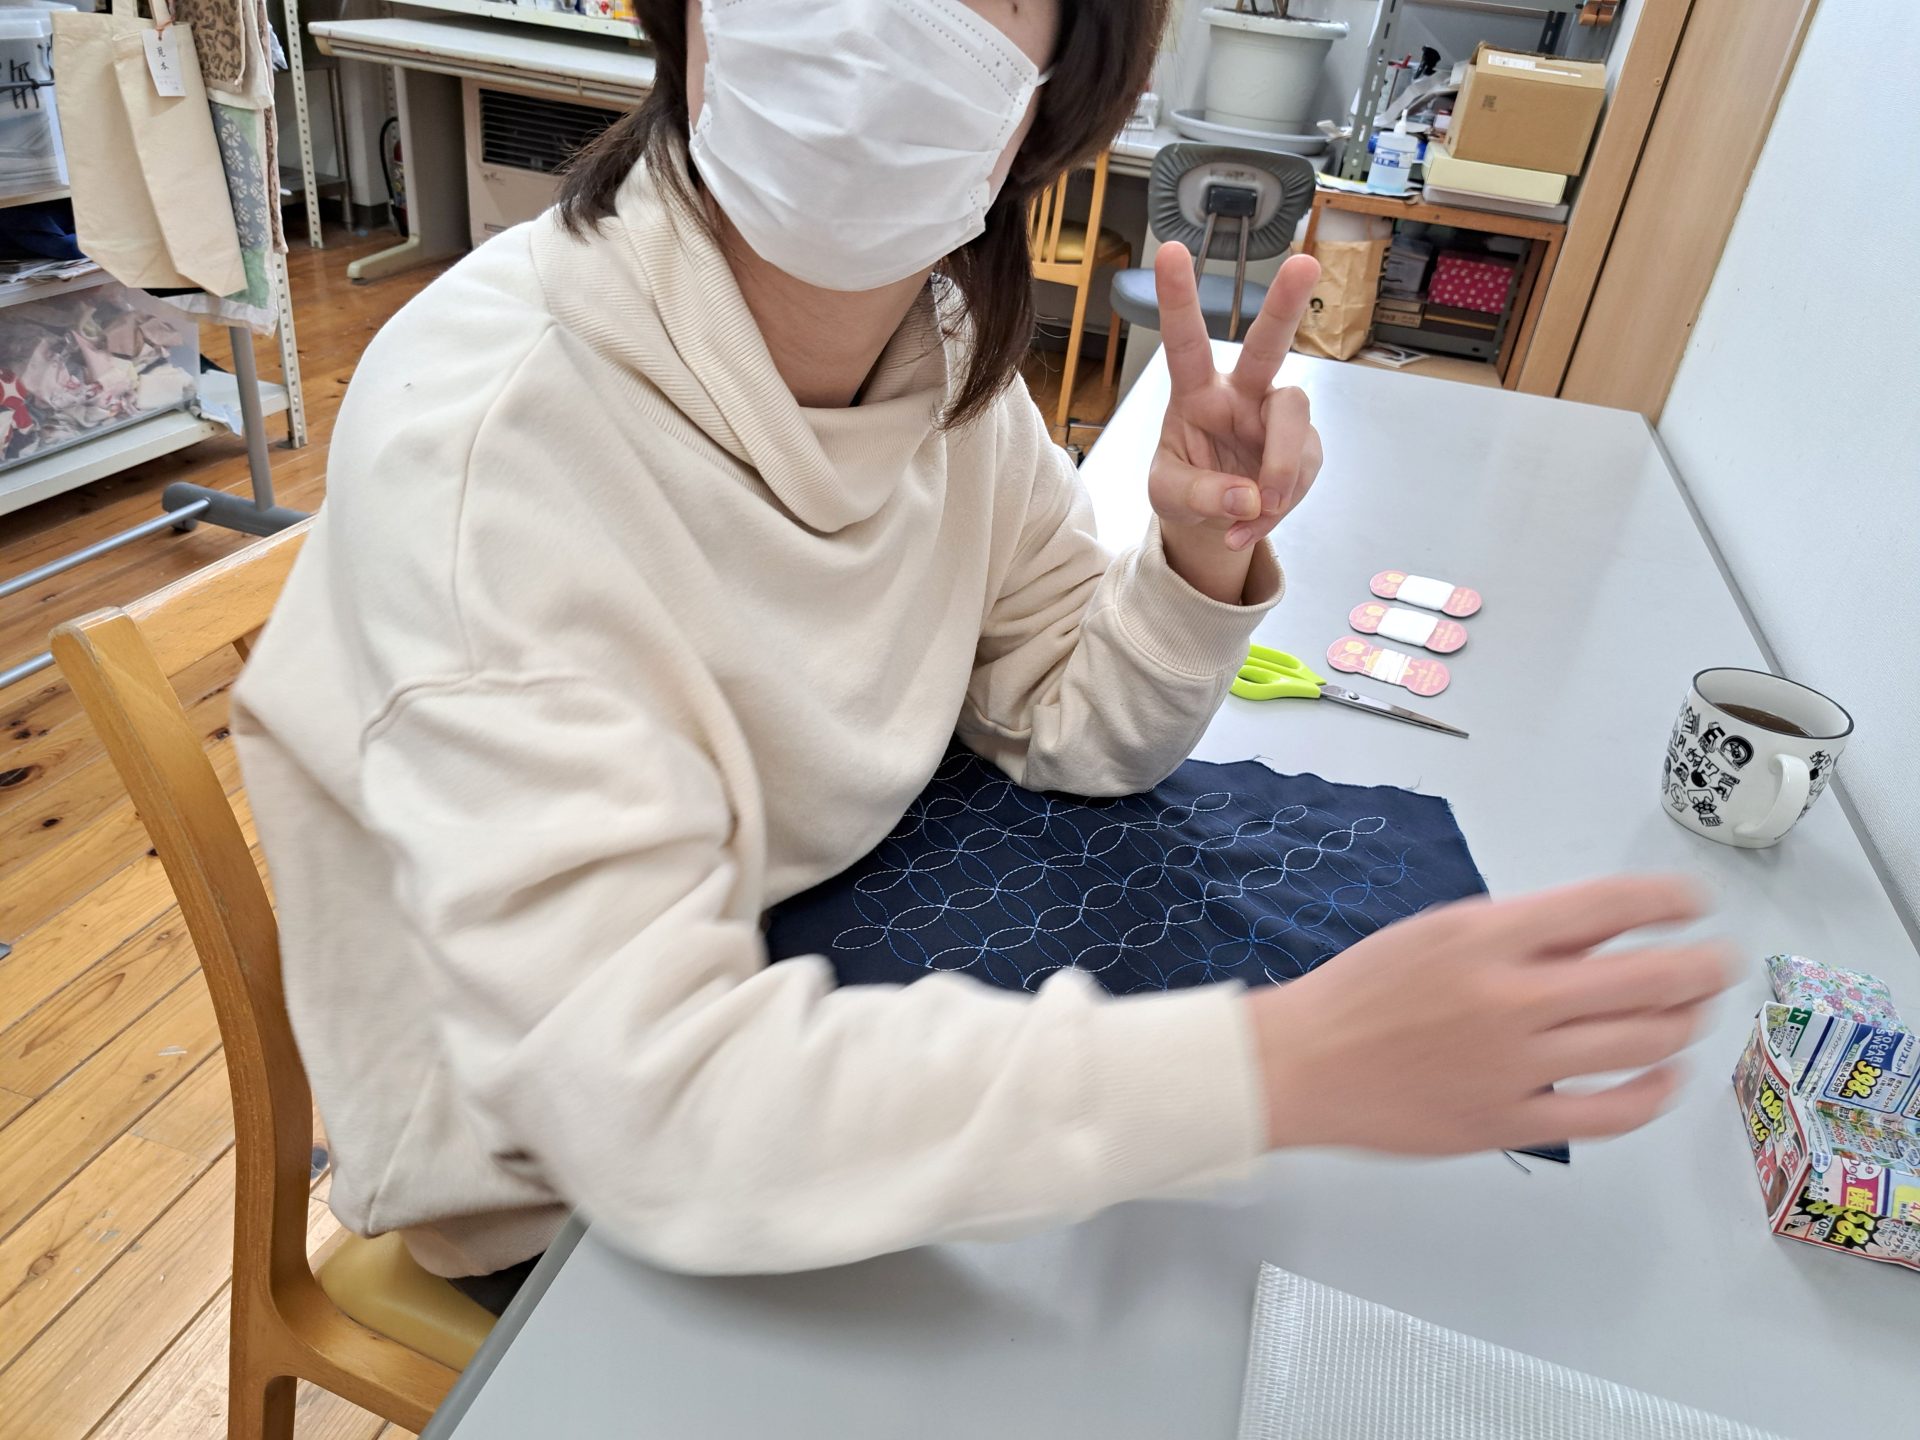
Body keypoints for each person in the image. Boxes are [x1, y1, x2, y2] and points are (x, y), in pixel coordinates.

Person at [232, 0, 1732, 1309]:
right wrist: (1283, 1066)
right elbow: (652, 1115)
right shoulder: (498, 457)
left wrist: (1197, 551)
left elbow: (1079, 722)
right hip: (550, 1182)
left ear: (1057, 85)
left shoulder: (940, 349)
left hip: (797, 951)